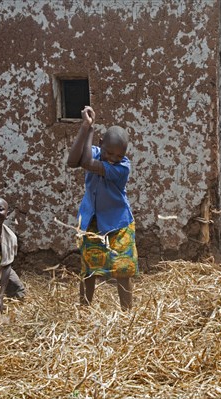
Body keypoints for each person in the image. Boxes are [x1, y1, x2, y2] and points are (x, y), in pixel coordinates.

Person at [66, 106, 138, 311]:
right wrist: (85, 127)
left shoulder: (122, 167)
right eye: (108, 152)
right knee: (89, 270)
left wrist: (90, 130)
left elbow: (86, 162)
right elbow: (72, 162)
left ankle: (127, 314)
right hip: (91, 222)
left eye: (118, 155)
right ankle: (85, 310)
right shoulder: (97, 152)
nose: (112, 158)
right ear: (100, 145)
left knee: (122, 270)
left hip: (118, 224)